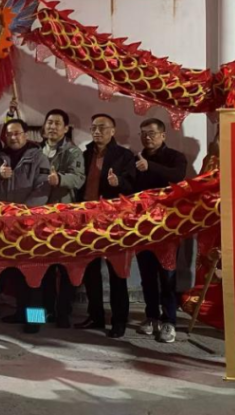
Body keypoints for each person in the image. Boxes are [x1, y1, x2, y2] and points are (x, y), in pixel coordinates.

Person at [77, 113, 136, 338]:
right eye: (94, 128)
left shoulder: (123, 156)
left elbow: (132, 185)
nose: (97, 131)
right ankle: (96, 315)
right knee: (90, 271)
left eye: (102, 128)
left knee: (117, 273)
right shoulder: (84, 154)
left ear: (113, 131)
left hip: (114, 221)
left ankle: (119, 320)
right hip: (87, 219)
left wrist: (118, 182)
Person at [133, 118, 188, 343]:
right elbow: (130, 189)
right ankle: (151, 316)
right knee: (147, 275)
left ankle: (169, 321)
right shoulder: (135, 159)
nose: (148, 137)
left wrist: (150, 166)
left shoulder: (176, 157)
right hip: (142, 226)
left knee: (167, 275)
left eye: (153, 133)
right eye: (144, 133)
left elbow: (178, 176)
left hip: (167, 226)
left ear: (163, 135)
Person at [39, 109, 87, 330]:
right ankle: (42, 313)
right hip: (38, 217)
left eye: (58, 123)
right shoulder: (36, 150)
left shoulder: (73, 152)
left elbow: (78, 179)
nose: (52, 127)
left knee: (65, 267)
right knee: (41, 267)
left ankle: (63, 314)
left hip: (63, 217)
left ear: (66, 128)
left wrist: (59, 179)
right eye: (49, 123)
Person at [0, 119, 51, 206]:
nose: (13, 137)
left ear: (26, 135)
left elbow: (43, 190)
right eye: (9, 134)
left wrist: (23, 210)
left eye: (16, 133)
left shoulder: (39, 158)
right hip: (3, 212)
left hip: (27, 213)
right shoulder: (0, 156)